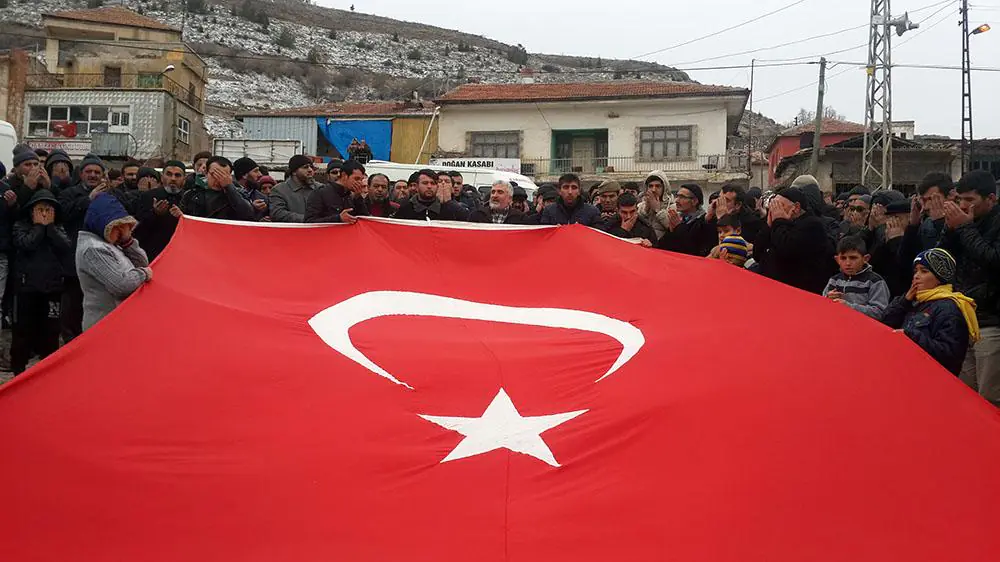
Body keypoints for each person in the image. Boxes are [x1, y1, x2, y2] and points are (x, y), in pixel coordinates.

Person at [937, 170, 1000, 405]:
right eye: (960, 200)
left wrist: (965, 228)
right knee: (966, 397)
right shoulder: (966, 224)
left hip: (992, 321)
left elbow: (993, 260)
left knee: (990, 397)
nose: (964, 205)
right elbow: (942, 259)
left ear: (991, 199)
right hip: (965, 316)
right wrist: (949, 229)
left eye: (970, 200)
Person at [882, 248, 978, 377]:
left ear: (940, 277)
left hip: (932, 380)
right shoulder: (915, 301)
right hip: (908, 373)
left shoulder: (948, 307)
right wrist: (904, 301)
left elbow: (950, 354)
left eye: (924, 271)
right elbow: (885, 322)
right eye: (915, 271)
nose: (916, 276)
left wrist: (911, 336)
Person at [10, 189, 70, 375]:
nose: (44, 213)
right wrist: (39, 227)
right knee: (22, 332)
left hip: (52, 288)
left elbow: (65, 246)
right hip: (27, 288)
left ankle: (48, 373)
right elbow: (27, 243)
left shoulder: (58, 228)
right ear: (31, 210)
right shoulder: (20, 226)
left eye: (48, 209)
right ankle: (18, 371)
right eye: (40, 209)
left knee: (51, 332)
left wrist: (49, 228)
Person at [75, 194, 151, 332]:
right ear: (105, 224)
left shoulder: (109, 242)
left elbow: (142, 262)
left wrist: (128, 241)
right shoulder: (93, 248)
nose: (122, 231)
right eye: (118, 227)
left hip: (119, 322)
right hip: (105, 326)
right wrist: (144, 274)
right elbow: (122, 285)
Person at [754, 187, 837, 294]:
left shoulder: (812, 225)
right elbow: (757, 253)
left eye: (780, 206)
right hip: (771, 289)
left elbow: (787, 247)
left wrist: (780, 221)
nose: (775, 211)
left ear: (797, 207)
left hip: (799, 291)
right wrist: (768, 227)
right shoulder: (777, 225)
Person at [822, 236, 890, 319]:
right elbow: (821, 305)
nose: (848, 263)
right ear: (837, 260)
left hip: (863, 328)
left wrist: (849, 307)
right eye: (843, 258)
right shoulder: (834, 280)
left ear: (865, 259)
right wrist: (827, 299)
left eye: (853, 258)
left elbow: (880, 312)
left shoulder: (875, 282)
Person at [133, 160, 185, 261]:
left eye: (177, 175)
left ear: (184, 179)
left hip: (180, 253)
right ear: (162, 177)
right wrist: (155, 214)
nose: (173, 179)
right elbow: (139, 229)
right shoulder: (148, 196)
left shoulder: (189, 198)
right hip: (153, 254)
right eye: (169, 174)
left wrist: (183, 217)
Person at [179, 156, 256, 221]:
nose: (218, 180)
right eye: (214, 175)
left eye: (223, 176)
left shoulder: (239, 194)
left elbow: (248, 214)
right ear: (206, 173)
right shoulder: (191, 195)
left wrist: (229, 187)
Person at [655, 183, 715, 257]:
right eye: (677, 196)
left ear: (694, 201)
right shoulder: (678, 218)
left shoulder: (704, 222)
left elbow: (690, 248)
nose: (677, 200)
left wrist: (678, 227)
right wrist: (671, 230)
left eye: (682, 197)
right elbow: (663, 247)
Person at [305, 159, 369, 223]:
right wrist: (338, 218)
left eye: (361, 180)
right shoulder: (320, 193)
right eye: (356, 179)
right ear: (344, 175)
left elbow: (365, 219)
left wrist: (358, 198)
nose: (360, 183)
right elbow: (309, 222)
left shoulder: (351, 196)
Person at [394, 169, 470, 221]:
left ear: (437, 186)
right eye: (425, 183)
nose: (429, 186)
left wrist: (450, 203)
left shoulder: (448, 210)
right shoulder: (406, 209)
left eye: (433, 183)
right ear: (417, 186)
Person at [269, 155, 322, 223]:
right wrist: (307, 220)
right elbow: (278, 213)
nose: (310, 170)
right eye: (305, 167)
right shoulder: (279, 190)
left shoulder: (320, 188)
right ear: (294, 172)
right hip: (292, 232)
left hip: (319, 231)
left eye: (311, 167)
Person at [540, 173, 604, 228]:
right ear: (559, 191)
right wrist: (554, 231)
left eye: (574, 188)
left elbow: (598, 236)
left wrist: (584, 231)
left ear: (579, 191)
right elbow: (544, 235)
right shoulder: (549, 211)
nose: (570, 192)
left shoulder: (592, 211)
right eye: (566, 187)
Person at [636, 171, 671, 241]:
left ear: (664, 188)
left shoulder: (673, 206)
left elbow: (672, 228)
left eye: (658, 186)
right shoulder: (641, 206)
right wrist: (646, 209)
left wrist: (658, 211)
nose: (653, 190)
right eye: (650, 186)